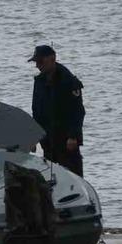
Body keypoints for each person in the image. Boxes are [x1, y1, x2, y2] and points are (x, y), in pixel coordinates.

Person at [29, 45, 85, 176]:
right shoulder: (39, 81)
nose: (37, 66)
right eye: (36, 62)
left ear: (52, 59)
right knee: (50, 176)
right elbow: (36, 111)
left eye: (40, 61)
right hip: (48, 139)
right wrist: (33, 137)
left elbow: (78, 111)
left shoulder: (68, 81)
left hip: (66, 140)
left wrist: (73, 136)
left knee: (73, 175)